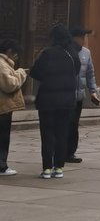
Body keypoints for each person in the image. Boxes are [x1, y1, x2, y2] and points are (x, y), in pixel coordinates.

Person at [30, 23, 80, 179]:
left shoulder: (47, 53)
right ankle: (58, 167)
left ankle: (46, 168)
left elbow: (35, 72)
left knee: (47, 134)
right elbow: (76, 72)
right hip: (66, 101)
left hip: (47, 100)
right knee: (62, 133)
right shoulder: (73, 54)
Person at [68, 26, 100, 163]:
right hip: (66, 95)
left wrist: (93, 91)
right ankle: (59, 152)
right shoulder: (66, 51)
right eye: (83, 37)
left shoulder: (86, 53)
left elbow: (90, 73)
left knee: (74, 125)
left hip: (78, 96)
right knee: (64, 125)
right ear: (75, 38)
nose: (84, 40)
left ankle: (70, 153)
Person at [0, 38, 28, 176]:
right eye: (16, 54)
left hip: (3, 107)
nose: (16, 57)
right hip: (2, 108)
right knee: (3, 137)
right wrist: (21, 73)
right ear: (9, 51)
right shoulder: (1, 65)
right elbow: (10, 84)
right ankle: (2, 166)